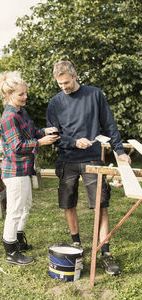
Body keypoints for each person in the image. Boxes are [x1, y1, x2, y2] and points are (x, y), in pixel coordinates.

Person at [46, 60, 131, 275]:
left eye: (66, 82)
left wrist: (119, 152)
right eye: (59, 84)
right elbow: (53, 135)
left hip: (92, 157)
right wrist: (73, 142)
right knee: (68, 204)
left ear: (75, 76)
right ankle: (76, 245)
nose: (63, 87)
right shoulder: (55, 103)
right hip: (67, 158)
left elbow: (109, 124)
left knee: (101, 205)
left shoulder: (94, 94)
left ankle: (105, 252)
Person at [0, 71, 59, 266]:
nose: (25, 96)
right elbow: (18, 146)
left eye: (25, 93)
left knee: (25, 206)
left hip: (24, 170)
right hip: (14, 171)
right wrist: (41, 142)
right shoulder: (9, 117)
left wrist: (43, 131)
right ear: (9, 95)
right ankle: (11, 252)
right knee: (14, 210)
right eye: (21, 94)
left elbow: (31, 132)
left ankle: (18, 242)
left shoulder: (21, 111)